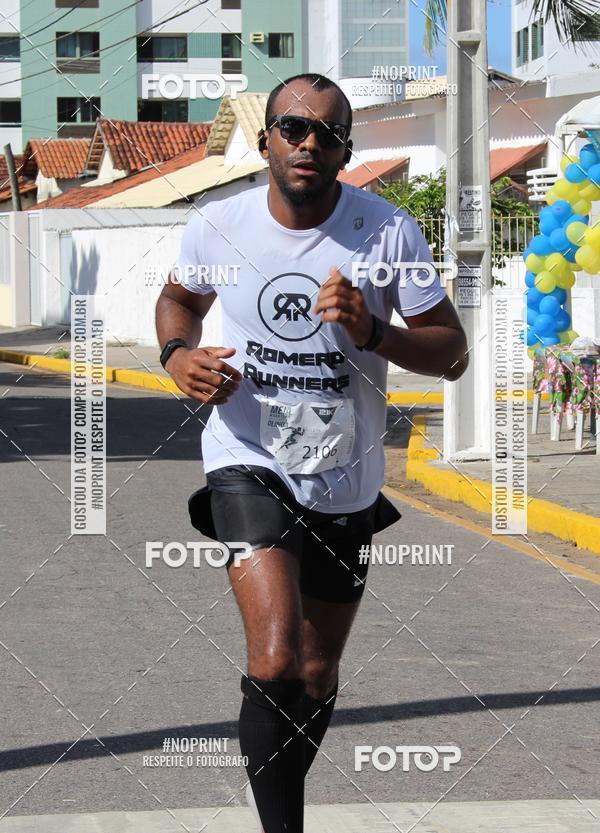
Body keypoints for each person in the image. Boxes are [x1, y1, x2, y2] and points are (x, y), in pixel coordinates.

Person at [155, 72, 468, 833]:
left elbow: (452, 352)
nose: (309, 143)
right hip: (247, 455)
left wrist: (373, 331)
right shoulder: (217, 225)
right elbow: (180, 300)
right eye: (293, 128)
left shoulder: (387, 233)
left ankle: (282, 798)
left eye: (328, 133)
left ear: (345, 150)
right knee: (275, 654)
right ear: (265, 139)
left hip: (344, 473)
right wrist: (175, 355)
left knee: (316, 671)